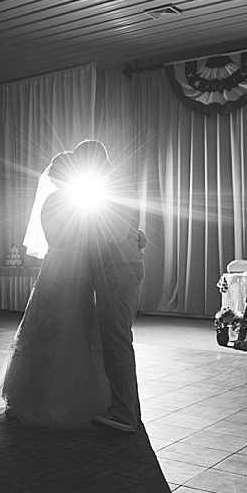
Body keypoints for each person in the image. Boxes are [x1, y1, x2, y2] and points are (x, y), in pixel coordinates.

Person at [0, 151, 111, 429]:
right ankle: (70, 398)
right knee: (74, 328)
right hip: (77, 267)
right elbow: (91, 237)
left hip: (55, 266)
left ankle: (35, 395)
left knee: (47, 328)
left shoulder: (50, 202)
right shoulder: (78, 203)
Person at [73, 139, 146, 433]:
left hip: (118, 271)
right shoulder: (113, 185)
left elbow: (114, 233)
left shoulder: (113, 185)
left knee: (117, 342)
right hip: (117, 269)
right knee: (116, 340)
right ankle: (128, 410)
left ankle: (125, 415)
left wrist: (82, 220)